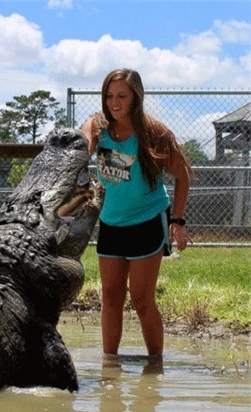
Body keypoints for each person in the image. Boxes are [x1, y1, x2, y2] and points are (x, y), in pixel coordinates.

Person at [81, 68, 193, 357]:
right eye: (109, 95)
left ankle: (155, 366)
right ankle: (110, 366)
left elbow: (183, 175)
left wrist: (177, 221)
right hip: (111, 222)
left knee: (142, 300)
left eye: (122, 95)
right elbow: (82, 145)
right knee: (111, 298)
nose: (114, 102)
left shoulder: (154, 133)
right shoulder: (98, 126)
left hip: (147, 220)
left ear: (136, 97)